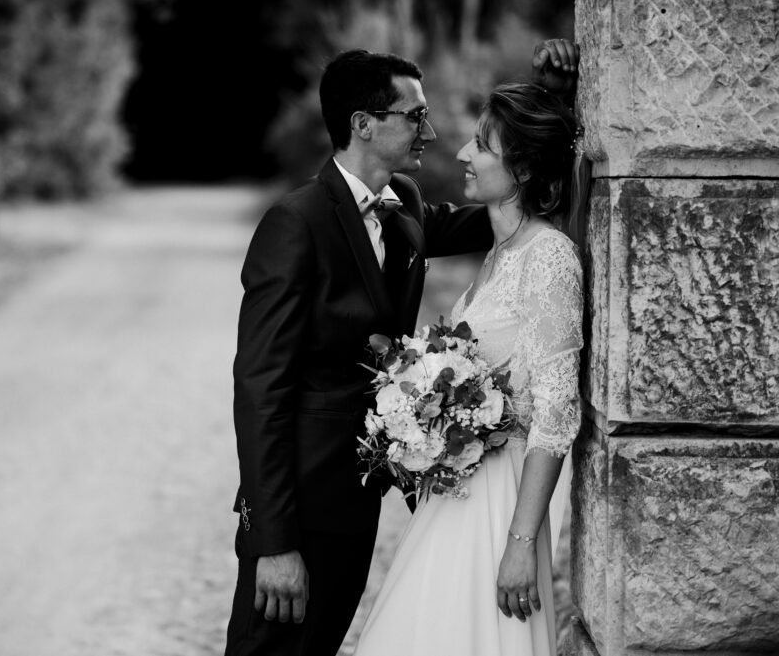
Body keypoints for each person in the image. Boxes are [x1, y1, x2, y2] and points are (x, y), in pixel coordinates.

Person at [224, 41, 579, 656]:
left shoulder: (406, 208)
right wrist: (273, 542)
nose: (432, 130)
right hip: (300, 512)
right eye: (414, 116)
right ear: (364, 124)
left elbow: (526, 203)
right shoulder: (294, 225)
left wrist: (554, 102)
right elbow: (260, 392)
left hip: (360, 505)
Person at [352, 77, 584, 655]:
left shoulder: (550, 256)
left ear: (524, 169)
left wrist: (521, 543)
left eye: (481, 145)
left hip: (499, 503)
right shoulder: (502, 253)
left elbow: (555, 417)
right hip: (456, 493)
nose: (461, 154)